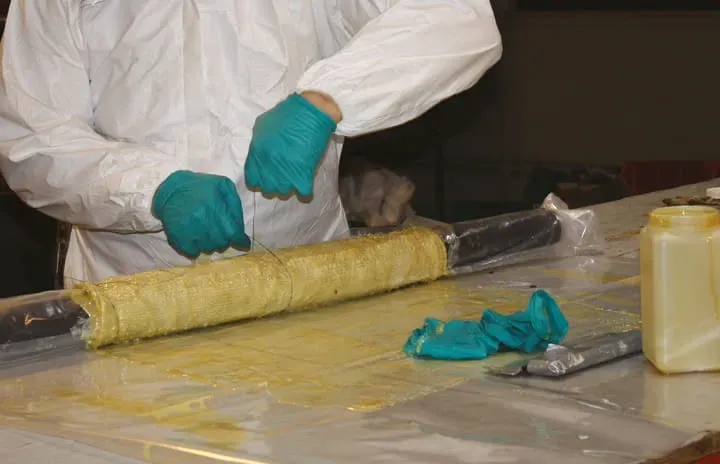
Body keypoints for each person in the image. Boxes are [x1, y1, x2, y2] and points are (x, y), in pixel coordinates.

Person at [0, 0, 502, 285]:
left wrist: (327, 99)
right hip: (133, 292)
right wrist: (150, 191)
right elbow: (33, 136)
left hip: (306, 284)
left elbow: (456, 18)